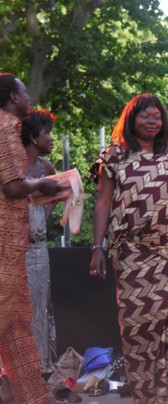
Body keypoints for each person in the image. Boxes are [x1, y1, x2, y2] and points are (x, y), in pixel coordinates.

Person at [89, 93, 168, 403]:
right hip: (132, 256)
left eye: (157, 117)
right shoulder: (114, 156)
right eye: (145, 116)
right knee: (139, 331)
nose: (151, 122)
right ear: (131, 119)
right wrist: (97, 246)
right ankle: (147, 397)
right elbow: (103, 203)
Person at [0, 72, 64, 403]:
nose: (29, 99)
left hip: (17, 247)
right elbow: (12, 187)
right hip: (5, 248)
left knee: (17, 328)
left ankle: (35, 396)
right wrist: (40, 185)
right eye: (25, 92)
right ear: (13, 97)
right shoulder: (6, 129)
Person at [21, 109, 58, 373]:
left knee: (39, 305)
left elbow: (54, 197)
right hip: (14, 248)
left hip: (39, 247)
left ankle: (39, 368)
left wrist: (44, 216)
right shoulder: (13, 165)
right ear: (34, 137)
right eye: (48, 133)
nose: (52, 139)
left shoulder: (46, 167)